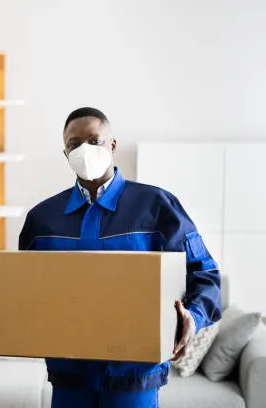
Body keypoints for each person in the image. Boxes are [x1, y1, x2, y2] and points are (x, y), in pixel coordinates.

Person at [18, 107, 221, 408]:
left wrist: (193, 316)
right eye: (75, 144)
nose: (85, 149)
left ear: (112, 145)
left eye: (95, 140)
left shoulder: (157, 206)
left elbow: (204, 274)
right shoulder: (42, 219)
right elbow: (25, 291)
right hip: (68, 376)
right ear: (65, 153)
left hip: (135, 375)